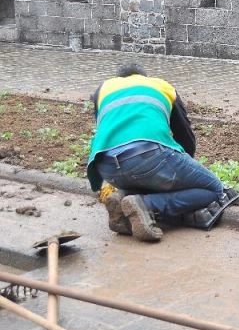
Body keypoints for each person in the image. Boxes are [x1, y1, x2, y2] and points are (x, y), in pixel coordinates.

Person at [87, 62, 230, 242]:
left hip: (106, 167)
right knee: (215, 189)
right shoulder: (161, 86)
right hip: (147, 157)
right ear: (144, 77)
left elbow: (104, 130)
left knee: (139, 175)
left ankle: (122, 198)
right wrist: (181, 175)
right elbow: (184, 135)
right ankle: (147, 205)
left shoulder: (103, 89)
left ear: (118, 79)